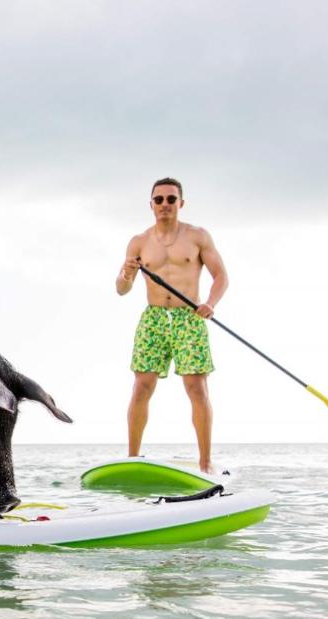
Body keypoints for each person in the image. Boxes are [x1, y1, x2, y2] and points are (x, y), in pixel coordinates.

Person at [116, 177, 229, 474]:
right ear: (151, 204)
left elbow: (221, 276)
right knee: (142, 386)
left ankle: (205, 463)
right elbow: (121, 289)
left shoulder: (197, 237)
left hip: (188, 317)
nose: (164, 204)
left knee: (197, 388)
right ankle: (132, 460)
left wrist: (211, 304)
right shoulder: (139, 242)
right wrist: (126, 274)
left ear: (181, 203)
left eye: (170, 199)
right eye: (159, 199)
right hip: (153, 318)